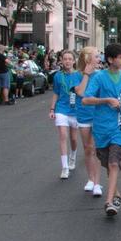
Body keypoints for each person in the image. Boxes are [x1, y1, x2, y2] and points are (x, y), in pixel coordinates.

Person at [83, 43, 121, 216]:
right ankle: (115, 194)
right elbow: (86, 99)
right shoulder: (99, 77)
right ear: (110, 59)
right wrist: (106, 100)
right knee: (108, 164)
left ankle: (109, 203)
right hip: (101, 129)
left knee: (114, 162)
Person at [74, 47, 102, 197]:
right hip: (83, 116)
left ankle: (97, 183)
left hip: (97, 115)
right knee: (88, 149)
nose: (99, 59)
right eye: (96, 56)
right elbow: (80, 92)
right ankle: (90, 179)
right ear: (87, 59)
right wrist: (86, 74)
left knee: (97, 150)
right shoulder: (76, 75)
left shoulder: (100, 75)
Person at [49, 50, 81, 180]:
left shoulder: (79, 75)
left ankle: (73, 156)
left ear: (74, 61)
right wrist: (52, 109)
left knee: (73, 139)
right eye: (65, 59)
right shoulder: (57, 76)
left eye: (70, 59)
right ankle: (65, 167)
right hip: (61, 109)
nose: (67, 61)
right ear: (61, 61)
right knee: (63, 136)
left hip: (75, 110)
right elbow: (56, 93)